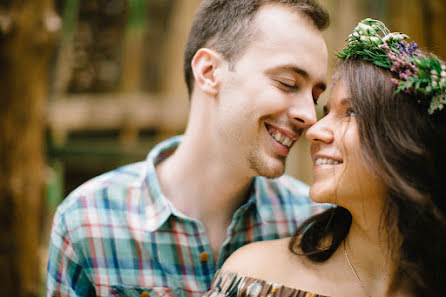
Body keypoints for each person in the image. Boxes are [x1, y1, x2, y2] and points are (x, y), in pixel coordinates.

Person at [46, 1, 331, 296]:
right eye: (287, 83)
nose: (310, 116)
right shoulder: (86, 222)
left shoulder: (316, 226)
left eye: (315, 97)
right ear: (209, 72)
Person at [204, 18, 446, 297]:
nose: (314, 130)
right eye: (326, 112)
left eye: (351, 112)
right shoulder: (255, 277)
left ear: (408, 140)